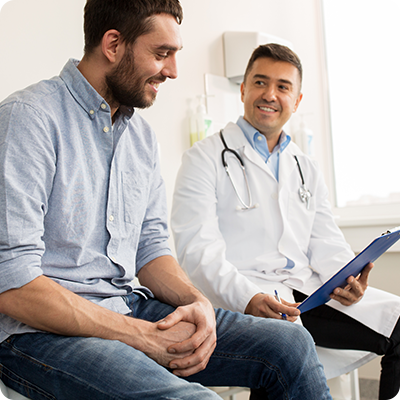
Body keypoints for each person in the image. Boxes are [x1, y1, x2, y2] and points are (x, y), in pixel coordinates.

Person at [0, 1, 333, 399]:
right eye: (162, 54)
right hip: (38, 335)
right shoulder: (29, 119)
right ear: (113, 45)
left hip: (129, 307)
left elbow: (151, 248)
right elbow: (12, 283)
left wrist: (197, 302)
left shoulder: (139, 138)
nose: (173, 71)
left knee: (290, 345)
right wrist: (139, 336)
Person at [171, 43, 400, 400]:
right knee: (282, 351)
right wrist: (248, 297)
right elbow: (197, 251)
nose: (270, 94)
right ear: (243, 89)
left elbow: (324, 240)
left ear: (297, 98)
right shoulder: (203, 159)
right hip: (243, 295)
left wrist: (348, 277)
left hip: (307, 292)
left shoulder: (303, 165)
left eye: (283, 86)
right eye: (260, 82)